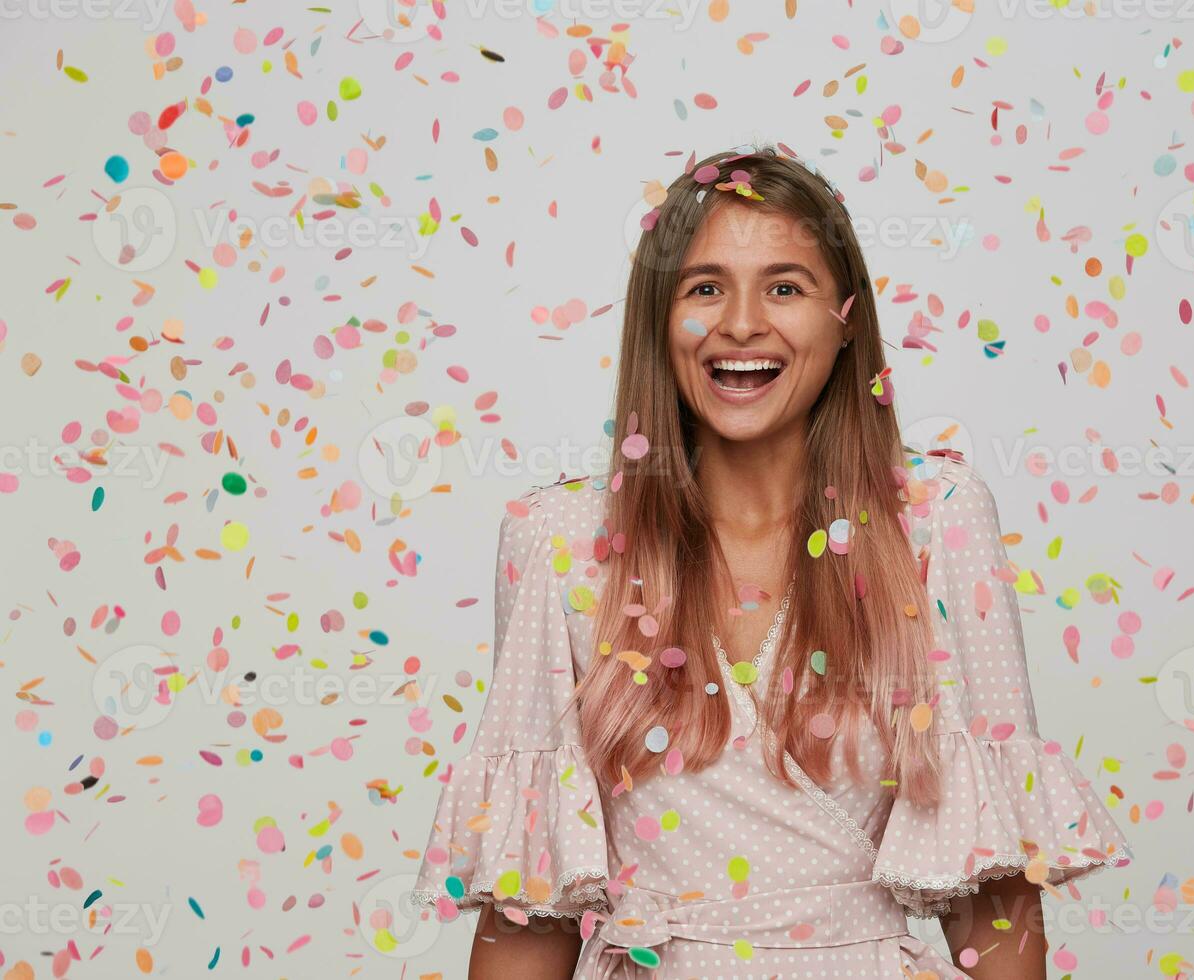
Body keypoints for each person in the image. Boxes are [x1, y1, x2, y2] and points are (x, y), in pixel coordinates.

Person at [410, 144, 1134, 978]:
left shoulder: (935, 525)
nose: (742, 323)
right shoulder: (560, 540)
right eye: (705, 286)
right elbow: (531, 908)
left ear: (845, 316)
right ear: (659, 318)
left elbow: (994, 895)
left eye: (785, 287)